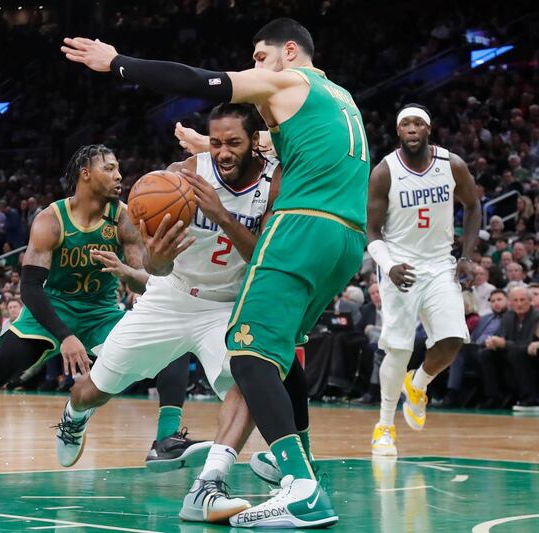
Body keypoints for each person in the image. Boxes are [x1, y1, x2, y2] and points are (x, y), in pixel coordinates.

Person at [62, 17, 368, 527]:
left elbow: (195, 80)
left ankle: (302, 486)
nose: (255, 68)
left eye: (259, 58)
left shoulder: (290, 79)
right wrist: (209, 149)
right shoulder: (341, 99)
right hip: (345, 238)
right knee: (273, 355)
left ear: (288, 51)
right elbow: (284, 148)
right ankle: (286, 457)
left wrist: (115, 62)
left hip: (302, 228)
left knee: (247, 355)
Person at [52, 105, 280, 498]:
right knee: (94, 388)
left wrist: (222, 216)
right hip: (171, 296)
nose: (223, 152)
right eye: (216, 142)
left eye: (234, 143)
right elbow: (156, 267)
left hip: (226, 306)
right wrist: (157, 254)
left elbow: (263, 258)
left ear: (255, 144)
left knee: (251, 386)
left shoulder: (274, 184)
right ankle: (74, 417)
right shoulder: (182, 175)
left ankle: (214, 480)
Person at [0, 145, 185, 464]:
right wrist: (65, 335)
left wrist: (126, 272)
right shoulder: (51, 219)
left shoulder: (124, 217)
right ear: (86, 174)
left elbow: (145, 283)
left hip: (102, 313)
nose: (119, 175)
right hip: (51, 310)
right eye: (109, 168)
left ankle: (165, 440)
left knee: (174, 349)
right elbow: (29, 288)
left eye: (118, 168)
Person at [366, 104, 481, 456]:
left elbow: (473, 206)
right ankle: (384, 427)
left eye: (418, 123)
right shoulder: (384, 171)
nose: (412, 129)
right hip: (401, 266)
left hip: (439, 265)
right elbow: (370, 231)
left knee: (452, 340)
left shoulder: (452, 165)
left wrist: (467, 256)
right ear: (398, 131)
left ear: (428, 129)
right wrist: (388, 265)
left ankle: (417, 385)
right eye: (405, 124)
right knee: (399, 348)